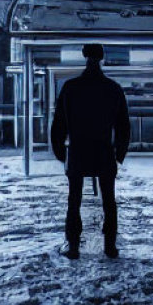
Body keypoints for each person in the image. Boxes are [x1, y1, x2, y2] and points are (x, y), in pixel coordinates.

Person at [50, 43, 131, 260]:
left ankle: (74, 246)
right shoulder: (113, 88)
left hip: (78, 150)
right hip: (103, 150)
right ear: (102, 58)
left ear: (84, 56)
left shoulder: (71, 87)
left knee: (74, 199)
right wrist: (119, 153)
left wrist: (60, 152)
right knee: (109, 200)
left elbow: (59, 123)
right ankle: (110, 246)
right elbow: (123, 125)